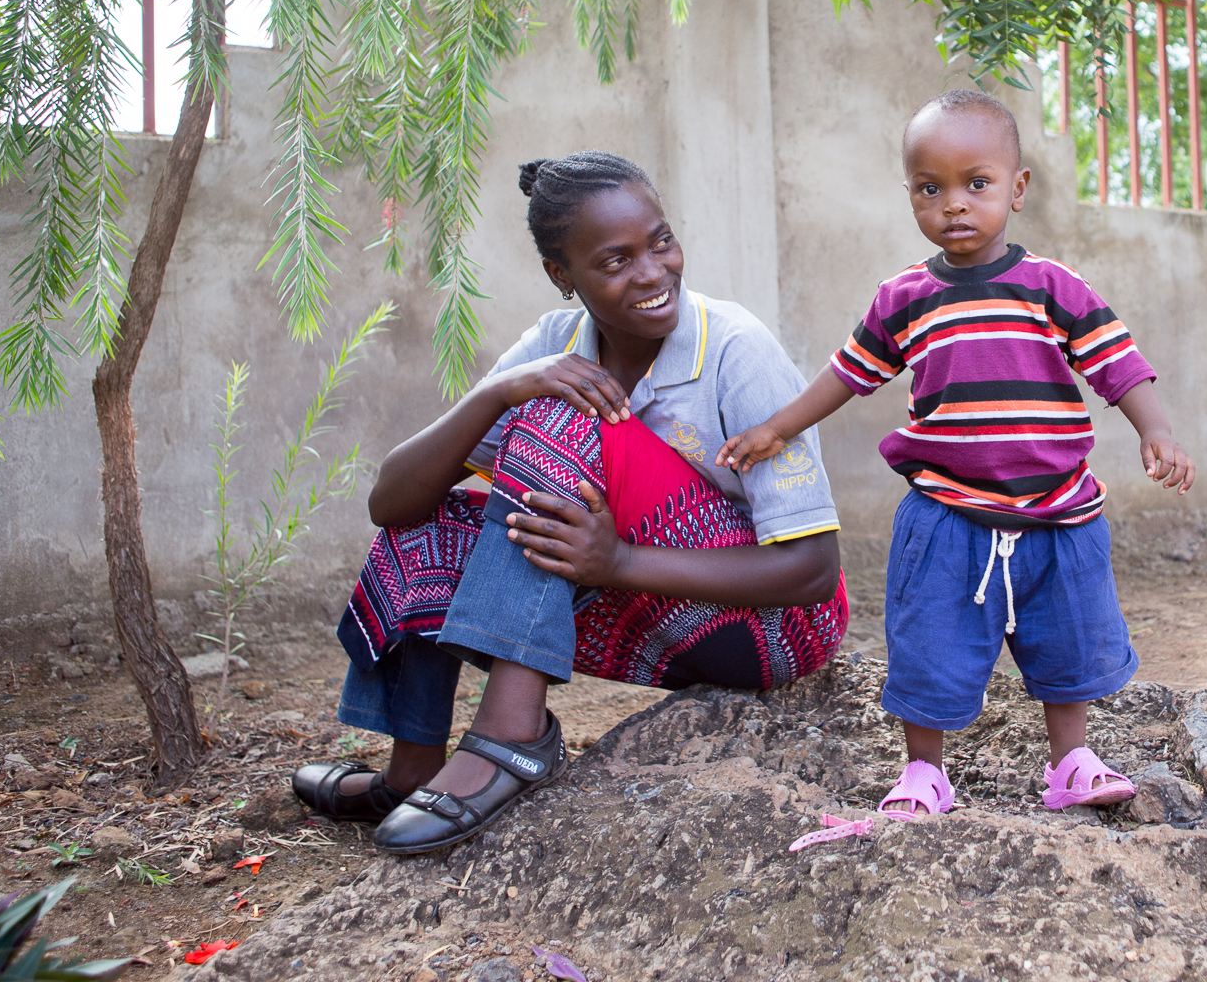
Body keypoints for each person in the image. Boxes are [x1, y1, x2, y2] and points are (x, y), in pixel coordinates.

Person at [292, 152, 848, 854]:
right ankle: (410, 774)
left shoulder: (736, 350)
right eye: (615, 262)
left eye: (661, 242)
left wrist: (616, 561)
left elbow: (813, 573)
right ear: (564, 277)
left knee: (562, 415)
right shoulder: (555, 345)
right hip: (647, 604)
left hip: (774, 627)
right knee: (431, 522)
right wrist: (500, 389)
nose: (652, 272)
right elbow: (391, 503)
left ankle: (511, 732)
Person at [718, 90, 1193, 819]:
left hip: (1058, 514)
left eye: (977, 184)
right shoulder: (904, 298)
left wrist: (1154, 429)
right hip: (946, 516)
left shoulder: (1052, 288)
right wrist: (778, 428)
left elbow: (1116, 362)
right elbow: (848, 373)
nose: (955, 205)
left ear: (1018, 188)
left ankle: (1070, 762)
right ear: (910, 194)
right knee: (930, 645)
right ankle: (924, 773)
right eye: (930, 188)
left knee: (1070, 644)